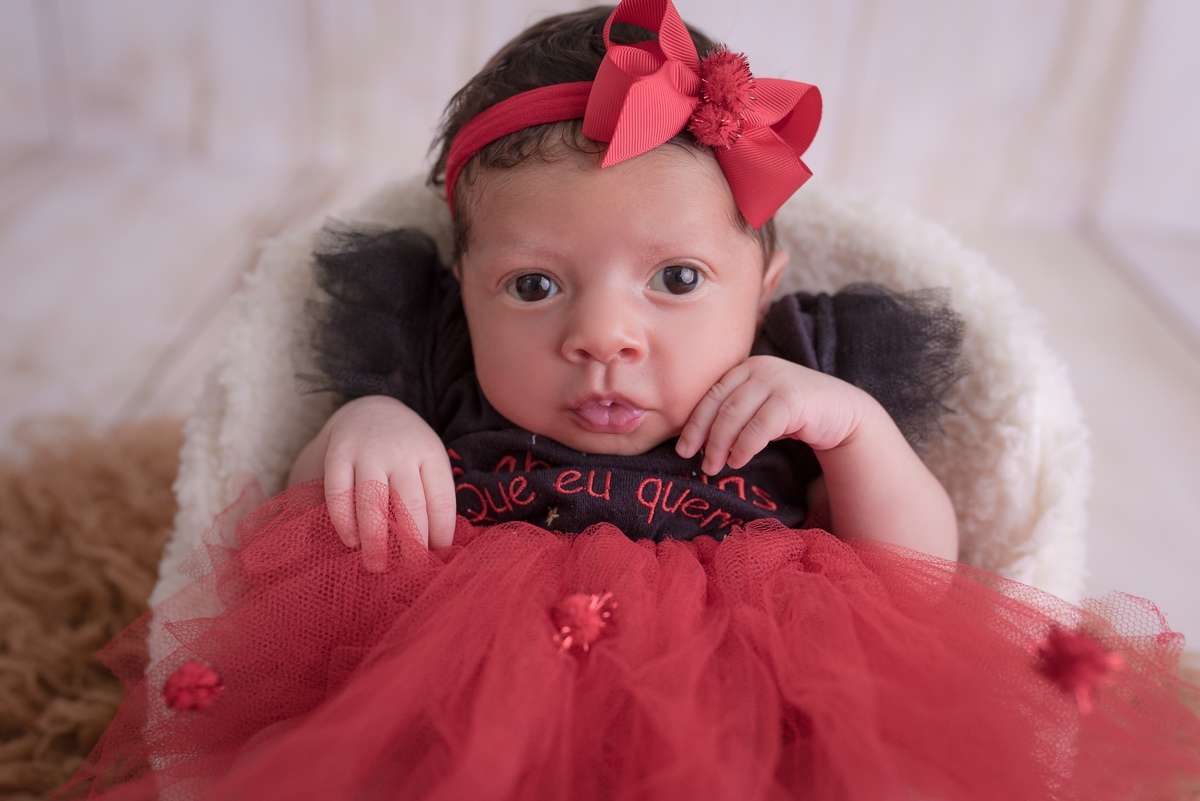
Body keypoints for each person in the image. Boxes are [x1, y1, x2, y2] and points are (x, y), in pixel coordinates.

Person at [59, 2, 1200, 799]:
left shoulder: (794, 387)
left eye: (678, 279)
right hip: (467, 700)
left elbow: (918, 574)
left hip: (755, 698)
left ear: (765, 285)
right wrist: (363, 430)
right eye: (534, 285)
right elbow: (310, 536)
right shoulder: (438, 375)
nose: (603, 335)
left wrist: (852, 432)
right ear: (463, 287)